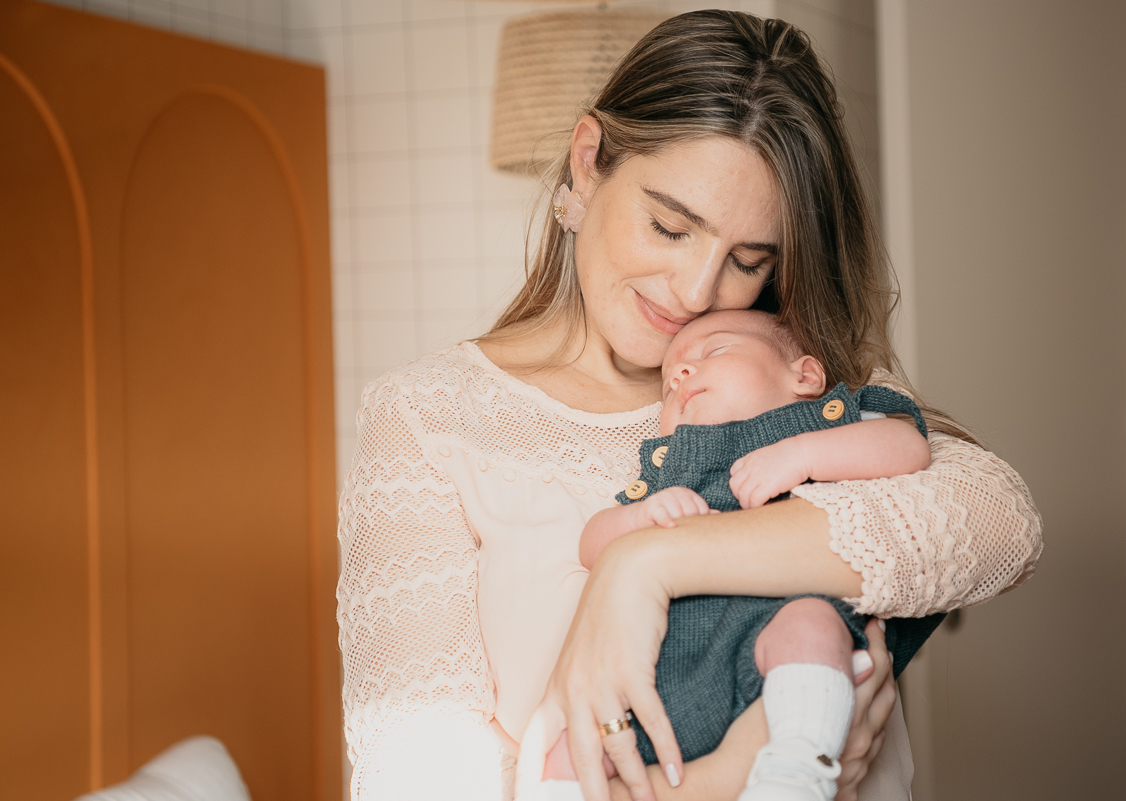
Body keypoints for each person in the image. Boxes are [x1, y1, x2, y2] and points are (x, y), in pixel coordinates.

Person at [336, 10, 1042, 801]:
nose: (698, 292)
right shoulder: (429, 420)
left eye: (748, 260)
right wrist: (738, 776)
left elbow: (1001, 523)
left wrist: (645, 566)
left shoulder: (781, 384)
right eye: (670, 226)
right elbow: (418, 784)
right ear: (588, 162)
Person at [531, 309, 935, 801]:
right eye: (668, 383)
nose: (680, 374)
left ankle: (797, 770)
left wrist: (803, 456)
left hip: (777, 630)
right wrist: (641, 517)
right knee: (566, 743)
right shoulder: (670, 467)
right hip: (670, 665)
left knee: (813, 626)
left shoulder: (828, 425)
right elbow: (592, 543)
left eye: (713, 351)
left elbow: (908, 448)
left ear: (804, 376)